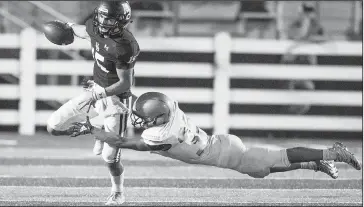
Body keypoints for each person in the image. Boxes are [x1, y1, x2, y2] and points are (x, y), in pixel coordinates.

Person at [68, 92, 362, 183]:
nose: (141, 121)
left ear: (159, 118)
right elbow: (148, 105)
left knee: (280, 157)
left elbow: (124, 143)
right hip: (221, 145)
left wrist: (91, 129)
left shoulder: (162, 134)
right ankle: (316, 165)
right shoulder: (169, 109)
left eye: (146, 118)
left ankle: (332, 153)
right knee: (260, 172)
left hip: (227, 153)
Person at [46, 1, 140, 205]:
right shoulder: (95, 26)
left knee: (110, 157)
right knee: (53, 126)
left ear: (122, 21)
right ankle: (94, 128)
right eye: (102, 16)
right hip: (94, 89)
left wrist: (98, 95)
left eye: (110, 18)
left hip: (116, 101)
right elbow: (86, 31)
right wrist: (68, 27)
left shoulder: (124, 45)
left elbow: (125, 83)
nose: (104, 21)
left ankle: (118, 192)